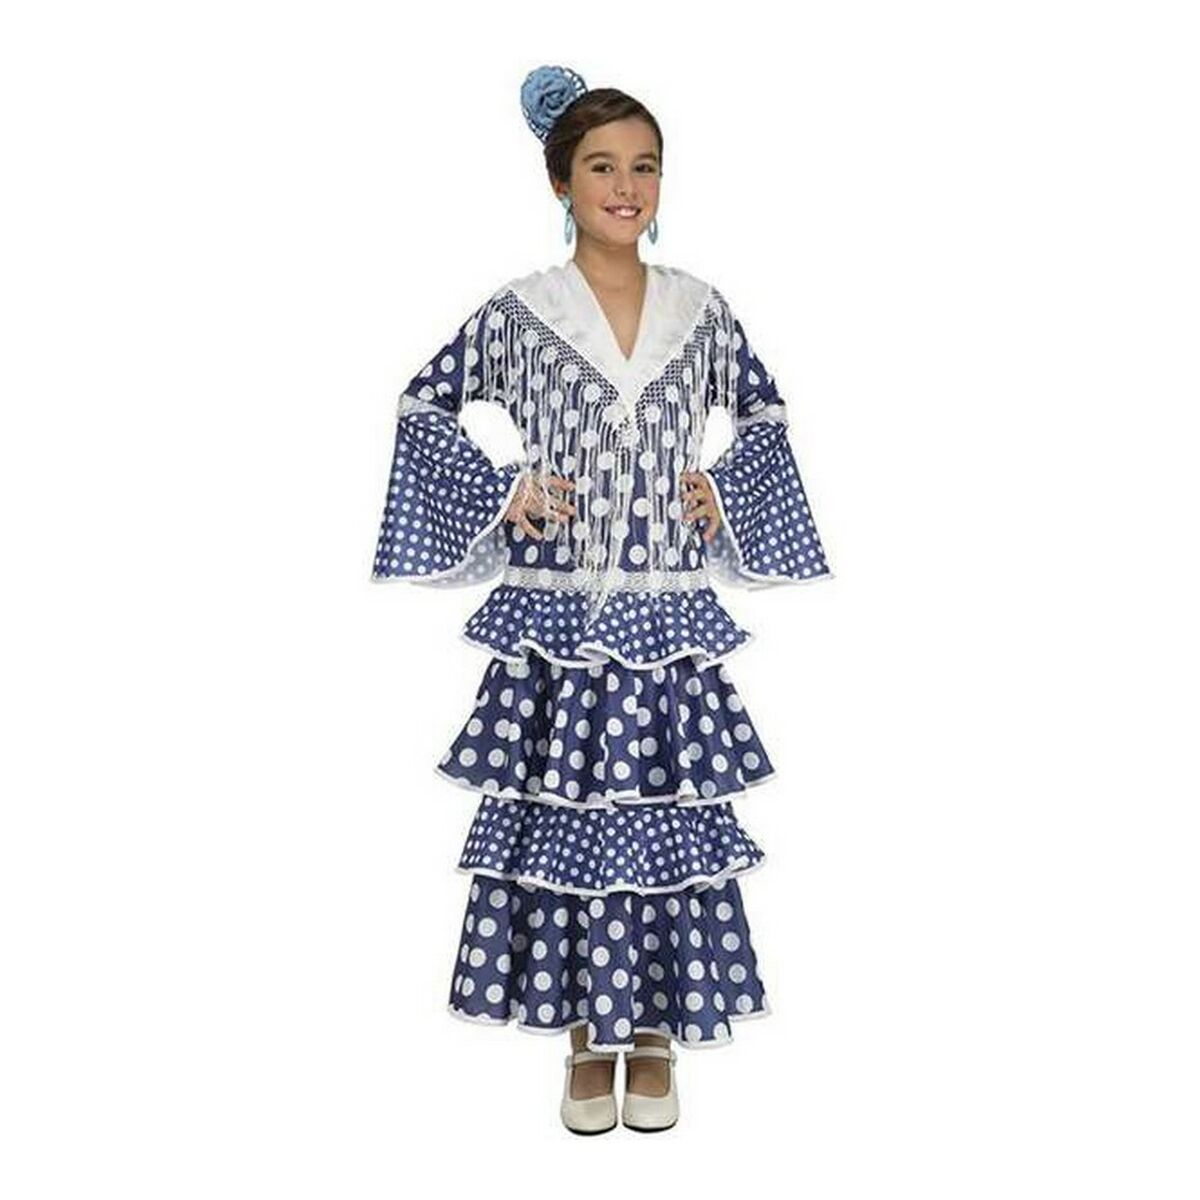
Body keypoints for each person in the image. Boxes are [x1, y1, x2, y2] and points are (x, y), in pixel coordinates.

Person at [370, 63, 833, 1135]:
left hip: (666, 612)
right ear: (561, 183)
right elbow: (422, 405)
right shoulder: (522, 314)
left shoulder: (700, 311)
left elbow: (764, 417)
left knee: (665, 823)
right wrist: (506, 492)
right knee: (570, 827)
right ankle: (586, 1032)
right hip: (562, 619)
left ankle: (657, 1030)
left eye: (644, 167)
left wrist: (724, 491)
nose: (626, 187)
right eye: (602, 167)